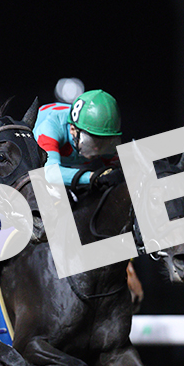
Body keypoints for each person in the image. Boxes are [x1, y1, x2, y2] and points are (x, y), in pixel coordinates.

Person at [33, 88, 143, 310]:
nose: (98, 150)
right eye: (92, 142)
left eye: (105, 143)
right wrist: (93, 177)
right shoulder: (50, 126)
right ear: (73, 130)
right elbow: (49, 174)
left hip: (70, 175)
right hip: (37, 174)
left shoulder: (98, 135)